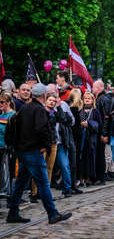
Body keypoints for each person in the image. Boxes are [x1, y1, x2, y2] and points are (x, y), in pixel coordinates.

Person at [6, 83, 72, 224]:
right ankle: (52, 214)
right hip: (33, 151)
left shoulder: (25, 109)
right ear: (44, 95)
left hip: (23, 150)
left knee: (20, 182)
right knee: (43, 182)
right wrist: (45, 146)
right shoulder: (39, 110)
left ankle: (13, 212)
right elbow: (41, 129)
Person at [29, 93, 58, 203]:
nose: (52, 102)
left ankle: (46, 192)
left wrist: (58, 108)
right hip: (41, 144)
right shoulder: (41, 111)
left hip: (53, 142)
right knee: (39, 168)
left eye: (54, 101)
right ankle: (35, 192)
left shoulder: (55, 113)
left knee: (49, 168)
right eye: (50, 100)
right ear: (45, 100)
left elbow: (63, 119)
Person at [92, 79, 113, 184]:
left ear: (100, 88)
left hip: (102, 132)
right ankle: (100, 177)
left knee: (102, 155)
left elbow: (106, 117)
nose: (92, 89)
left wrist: (104, 133)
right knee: (100, 154)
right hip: (99, 131)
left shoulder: (103, 99)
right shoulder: (100, 98)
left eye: (94, 87)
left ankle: (102, 177)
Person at [79, 92, 102, 186]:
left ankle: (89, 178)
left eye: (89, 98)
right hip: (81, 137)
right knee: (81, 158)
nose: (87, 99)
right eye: (85, 98)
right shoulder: (80, 110)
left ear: (93, 100)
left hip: (91, 137)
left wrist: (89, 125)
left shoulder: (95, 111)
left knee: (90, 158)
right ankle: (80, 179)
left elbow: (99, 124)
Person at [0, 93, 15, 197]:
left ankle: (11, 195)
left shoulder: (13, 115)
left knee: (9, 172)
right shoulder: (1, 115)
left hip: (8, 149)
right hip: (0, 148)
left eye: (2, 102)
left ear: (8, 103)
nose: (0, 104)